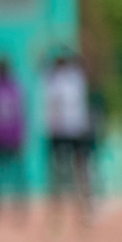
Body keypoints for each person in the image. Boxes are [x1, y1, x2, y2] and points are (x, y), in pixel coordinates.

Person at [43, 51, 93, 230]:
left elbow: (85, 63)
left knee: (80, 172)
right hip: (59, 131)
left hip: (75, 130)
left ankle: (83, 212)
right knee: (58, 173)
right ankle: (58, 214)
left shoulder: (76, 77)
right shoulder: (52, 78)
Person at [0, 55, 26, 224]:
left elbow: (20, 114)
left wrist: (21, 137)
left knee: (17, 176)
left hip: (13, 137)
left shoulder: (15, 87)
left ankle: (19, 208)